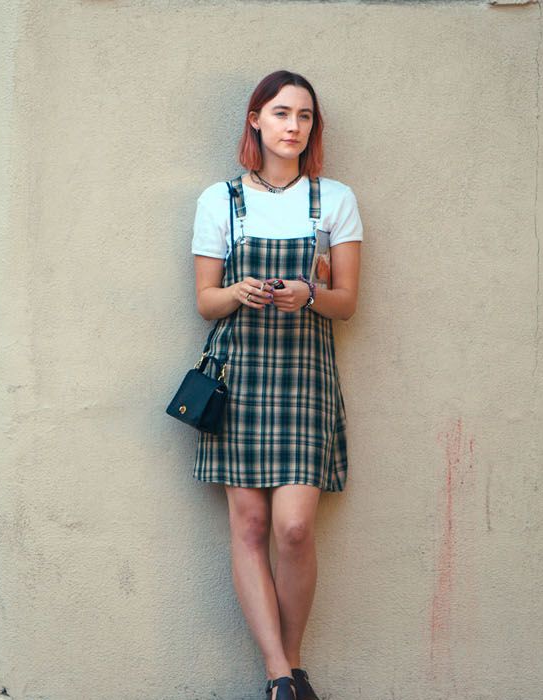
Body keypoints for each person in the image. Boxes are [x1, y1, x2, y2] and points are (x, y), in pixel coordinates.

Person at [190, 70, 362, 700]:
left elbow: (347, 303)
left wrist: (309, 294)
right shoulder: (221, 201)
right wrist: (237, 292)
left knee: (294, 528)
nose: (294, 126)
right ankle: (280, 678)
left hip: (305, 380)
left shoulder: (334, 200)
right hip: (240, 378)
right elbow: (205, 302)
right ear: (256, 121)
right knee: (252, 525)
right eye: (282, 113)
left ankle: (288, 666)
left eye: (306, 117)